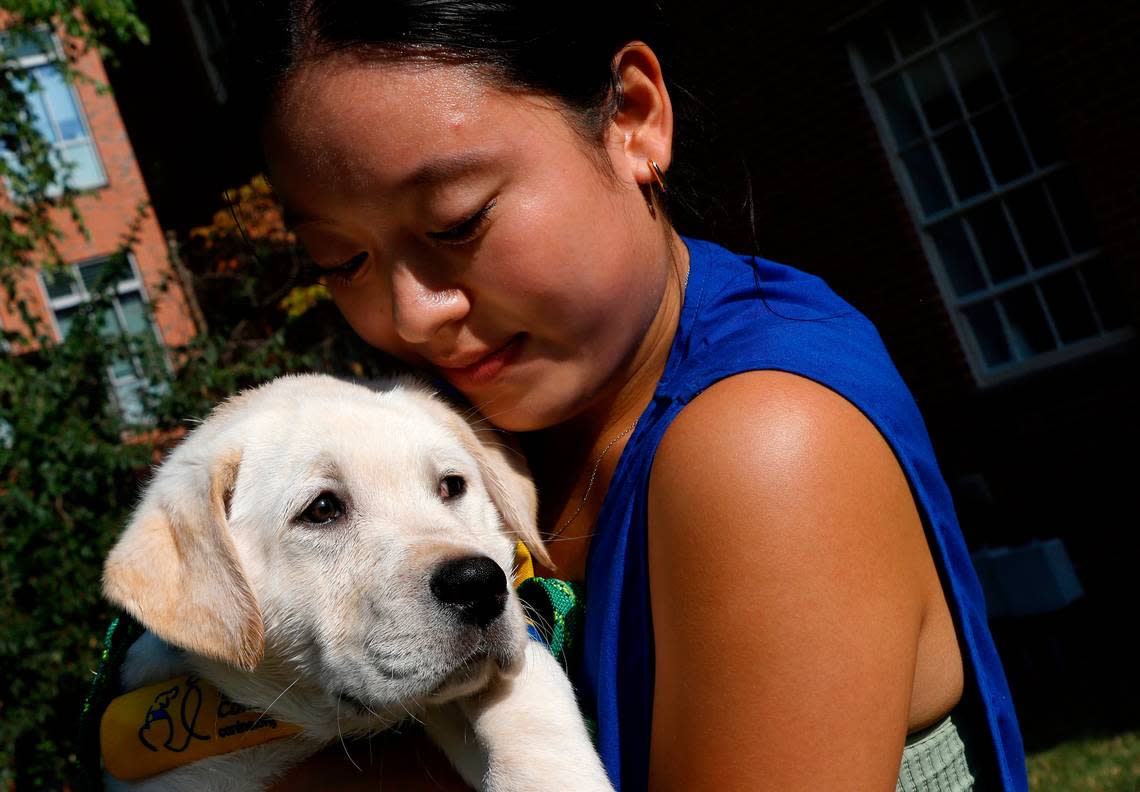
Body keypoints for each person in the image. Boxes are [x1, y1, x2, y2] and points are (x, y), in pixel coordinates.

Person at [229, 2, 1029, 789]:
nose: (413, 313)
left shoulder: (767, 447)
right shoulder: (461, 433)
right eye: (342, 261)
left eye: (457, 223)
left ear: (634, 121)